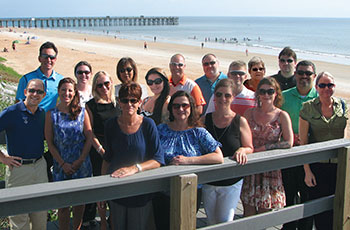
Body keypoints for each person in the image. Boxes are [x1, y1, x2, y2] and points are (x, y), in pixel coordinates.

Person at [153, 90, 223, 229]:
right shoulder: (161, 130)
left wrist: (188, 160)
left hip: (190, 190)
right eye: (176, 106)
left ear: (191, 107)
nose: (180, 109)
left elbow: (218, 156)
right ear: (171, 109)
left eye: (184, 105)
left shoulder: (198, 132)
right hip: (162, 190)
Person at [102, 82, 164, 230]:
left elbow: (158, 159)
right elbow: (107, 158)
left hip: (140, 192)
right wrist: (102, 191)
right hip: (117, 190)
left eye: (133, 100)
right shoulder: (110, 125)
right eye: (125, 100)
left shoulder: (148, 125)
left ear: (139, 102)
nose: (129, 104)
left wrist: (135, 168)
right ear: (119, 103)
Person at [299, 72, 348, 230]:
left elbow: (347, 137)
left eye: (330, 85)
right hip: (317, 167)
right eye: (322, 85)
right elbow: (303, 143)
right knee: (320, 213)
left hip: (340, 166)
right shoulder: (308, 108)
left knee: (340, 208)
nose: (326, 88)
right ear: (316, 87)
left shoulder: (344, 106)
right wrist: (307, 170)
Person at [203, 79, 254, 225]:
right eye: (219, 95)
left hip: (232, 181)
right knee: (211, 222)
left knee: (226, 222)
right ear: (214, 95)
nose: (222, 99)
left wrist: (242, 149)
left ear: (233, 97)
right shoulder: (205, 120)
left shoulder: (240, 121)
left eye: (227, 95)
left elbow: (249, 146)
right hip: (209, 181)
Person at [241, 77, 293, 216]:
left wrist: (265, 148)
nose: (266, 95)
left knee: (264, 213)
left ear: (276, 93)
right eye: (263, 91)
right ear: (258, 93)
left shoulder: (282, 115)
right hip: (250, 167)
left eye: (270, 91)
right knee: (248, 213)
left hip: (270, 169)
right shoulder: (249, 113)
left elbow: (289, 142)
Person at [45, 77, 93, 230]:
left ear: (74, 93)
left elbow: (89, 137)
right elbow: (50, 142)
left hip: (81, 164)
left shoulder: (82, 112)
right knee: (63, 205)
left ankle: (77, 228)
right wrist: (62, 163)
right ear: (58, 92)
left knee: (80, 203)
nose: (66, 93)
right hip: (61, 165)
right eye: (63, 90)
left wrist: (80, 161)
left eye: (70, 90)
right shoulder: (51, 114)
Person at [0, 79, 48, 230]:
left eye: (39, 92)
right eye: (32, 90)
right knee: (19, 218)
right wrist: (3, 158)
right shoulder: (11, 112)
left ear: (44, 95)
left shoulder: (41, 113)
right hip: (18, 169)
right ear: (25, 92)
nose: (35, 94)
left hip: (40, 166)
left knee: (40, 215)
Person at [280, 60, 318, 230]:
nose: (304, 76)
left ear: (314, 76)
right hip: (290, 155)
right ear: (295, 75)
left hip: (312, 156)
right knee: (289, 194)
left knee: (308, 197)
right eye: (301, 73)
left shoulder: (320, 97)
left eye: (308, 73)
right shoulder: (284, 96)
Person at [83, 71, 117, 229]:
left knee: (116, 184)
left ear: (111, 82)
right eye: (100, 85)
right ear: (95, 86)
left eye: (106, 83)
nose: (104, 87)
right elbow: (89, 131)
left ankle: (113, 219)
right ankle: (103, 221)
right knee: (101, 186)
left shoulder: (116, 103)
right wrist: (100, 150)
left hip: (116, 148)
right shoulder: (90, 105)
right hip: (99, 150)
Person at [15, 41, 64, 112]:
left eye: (52, 57)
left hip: (50, 121)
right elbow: (18, 104)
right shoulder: (26, 79)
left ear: (55, 59)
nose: (48, 60)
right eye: (45, 57)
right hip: (31, 120)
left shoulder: (60, 80)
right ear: (39, 58)